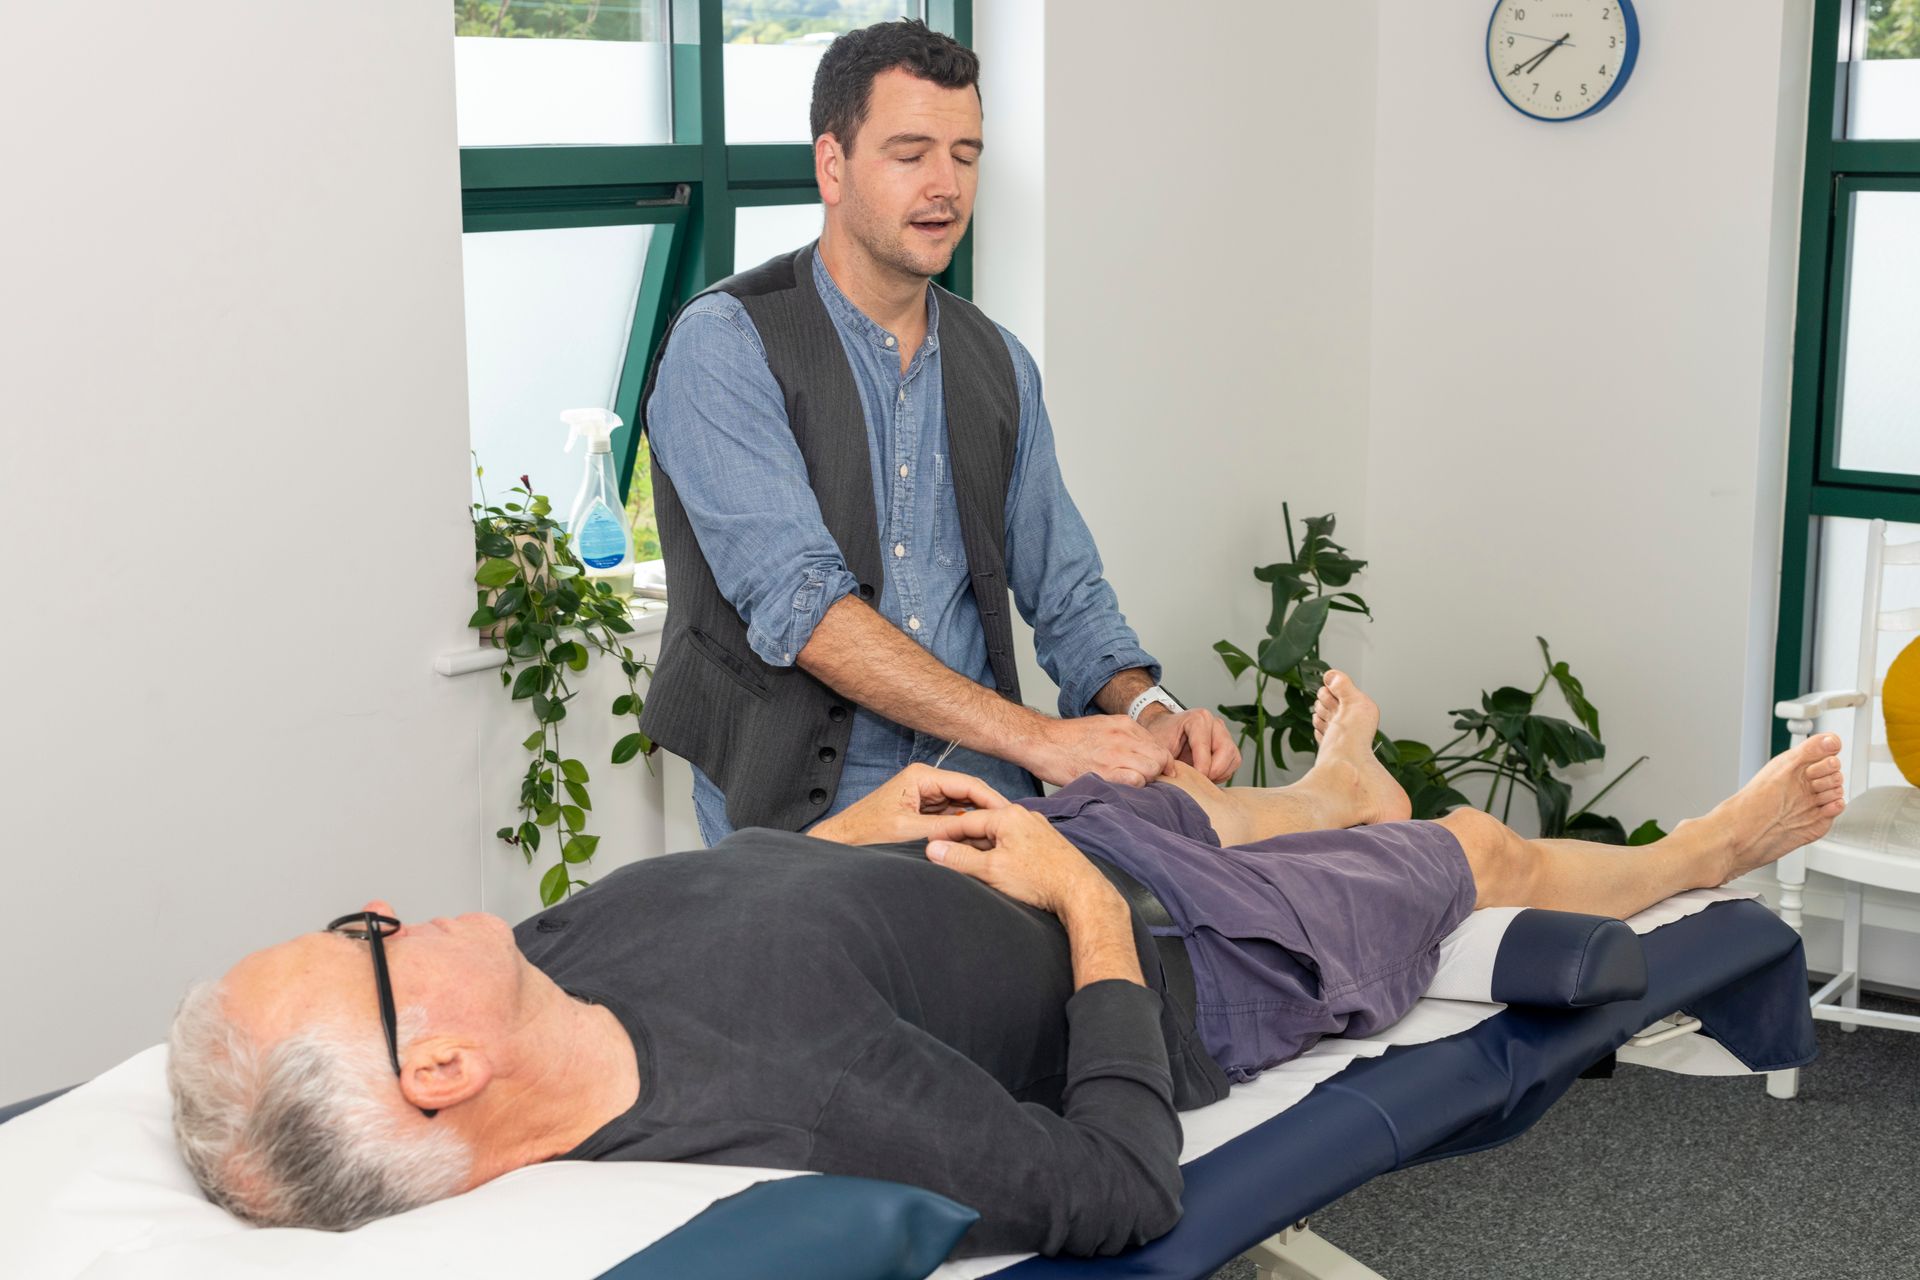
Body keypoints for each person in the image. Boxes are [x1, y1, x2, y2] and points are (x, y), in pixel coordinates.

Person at [166, 673, 1848, 1256]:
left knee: (1185, 784)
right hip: (1192, 960)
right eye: (363, 948)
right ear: (441, 1075)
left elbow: (731, 912)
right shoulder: (808, 1089)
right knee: (1463, 853)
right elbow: (1120, 1190)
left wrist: (863, 832)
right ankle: (1708, 852)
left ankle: (1327, 792)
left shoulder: (542, 961)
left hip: (1009, 858)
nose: (383, 909)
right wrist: (1088, 914)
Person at [640, 19, 1240, 843]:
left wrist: (1147, 706)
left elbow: (1066, 592)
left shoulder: (999, 362)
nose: (946, 186)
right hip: (802, 810)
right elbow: (805, 609)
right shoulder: (727, 344)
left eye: (965, 155)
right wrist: (1041, 738)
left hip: (986, 789)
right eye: (910, 152)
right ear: (833, 166)